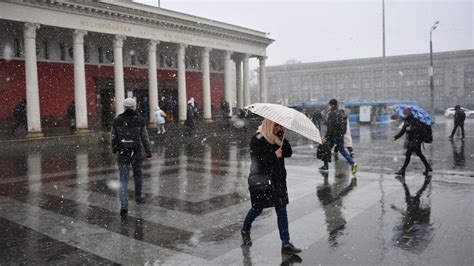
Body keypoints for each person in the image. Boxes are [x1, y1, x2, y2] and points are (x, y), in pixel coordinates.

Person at [241, 119, 302, 254]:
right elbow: (257, 161)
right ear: (269, 125)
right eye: (276, 125)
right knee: (257, 209)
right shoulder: (258, 139)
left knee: (281, 209)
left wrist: (282, 141)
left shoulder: (278, 138)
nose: (279, 128)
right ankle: (245, 229)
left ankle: (286, 243)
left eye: (281, 125)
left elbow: (288, 153)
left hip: (278, 181)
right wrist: (274, 155)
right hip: (263, 181)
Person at [111, 98, 152, 216]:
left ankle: (124, 205)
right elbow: (145, 137)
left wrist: (114, 149)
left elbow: (113, 137)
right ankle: (138, 196)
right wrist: (148, 152)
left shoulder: (117, 120)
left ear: (124, 107)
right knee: (138, 175)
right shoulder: (140, 120)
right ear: (134, 107)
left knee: (123, 180)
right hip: (137, 152)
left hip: (123, 153)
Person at [320, 99, 358, 176]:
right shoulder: (341, 113)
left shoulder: (332, 114)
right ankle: (352, 163)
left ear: (332, 105)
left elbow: (330, 128)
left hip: (333, 136)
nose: (329, 107)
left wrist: (326, 137)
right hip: (340, 135)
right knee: (342, 150)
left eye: (330, 105)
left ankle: (326, 166)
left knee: (326, 150)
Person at [393, 108, 432, 176]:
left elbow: (419, 129)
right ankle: (428, 167)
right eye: (404, 114)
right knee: (419, 154)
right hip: (413, 140)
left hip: (416, 140)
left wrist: (411, 129)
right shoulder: (407, 121)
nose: (404, 115)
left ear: (408, 113)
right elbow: (403, 131)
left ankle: (403, 170)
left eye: (405, 114)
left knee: (408, 155)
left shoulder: (415, 120)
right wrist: (395, 137)